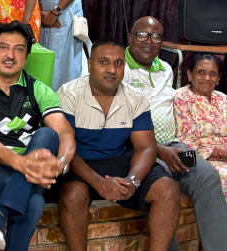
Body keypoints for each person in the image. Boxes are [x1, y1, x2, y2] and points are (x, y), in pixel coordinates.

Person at [0, 21, 75, 251]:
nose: (10, 55)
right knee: (33, 201)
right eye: (3, 47)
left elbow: (65, 132)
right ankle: (0, 213)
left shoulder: (38, 89)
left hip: (29, 170)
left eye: (19, 49)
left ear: (26, 57)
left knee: (48, 134)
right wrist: (23, 164)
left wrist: (60, 164)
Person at [56, 40, 181, 251]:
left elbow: (145, 148)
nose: (112, 70)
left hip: (119, 161)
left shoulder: (136, 97)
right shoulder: (69, 94)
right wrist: (99, 183)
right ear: (90, 65)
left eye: (118, 63)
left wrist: (132, 181)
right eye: (103, 62)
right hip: (80, 164)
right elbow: (64, 149)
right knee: (73, 194)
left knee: (167, 189)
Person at [123, 17, 227, 251]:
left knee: (207, 175)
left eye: (156, 37)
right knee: (162, 186)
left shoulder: (165, 70)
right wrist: (157, 149)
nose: (149, 41)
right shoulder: (120, 69)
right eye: (142, 35)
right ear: (130, 37)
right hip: (140, 149)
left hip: (174, 147)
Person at [174, 53, 227, 196]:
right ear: (190, 75)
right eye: (201, 72)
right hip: (201, 161)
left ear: (218, 78)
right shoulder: (181, 98)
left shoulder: (223, 99)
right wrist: (220, 153)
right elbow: (185, 142)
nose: (207, 78)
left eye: (213, 73)